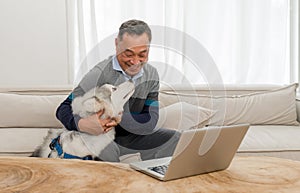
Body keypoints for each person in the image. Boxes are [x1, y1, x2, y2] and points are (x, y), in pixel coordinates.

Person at [56, 19, 180, 162]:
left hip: (131, 137)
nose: (135, 62)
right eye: (128, 54)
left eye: (142, 54)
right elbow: (63, 108)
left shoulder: (152, 75)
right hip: (103, 138)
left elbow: (150, 121)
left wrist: (120, 117)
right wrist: (82, 124)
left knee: (174, 138)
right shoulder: (99, 73)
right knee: (105, 150)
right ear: (117, 44)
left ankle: (154, 174)